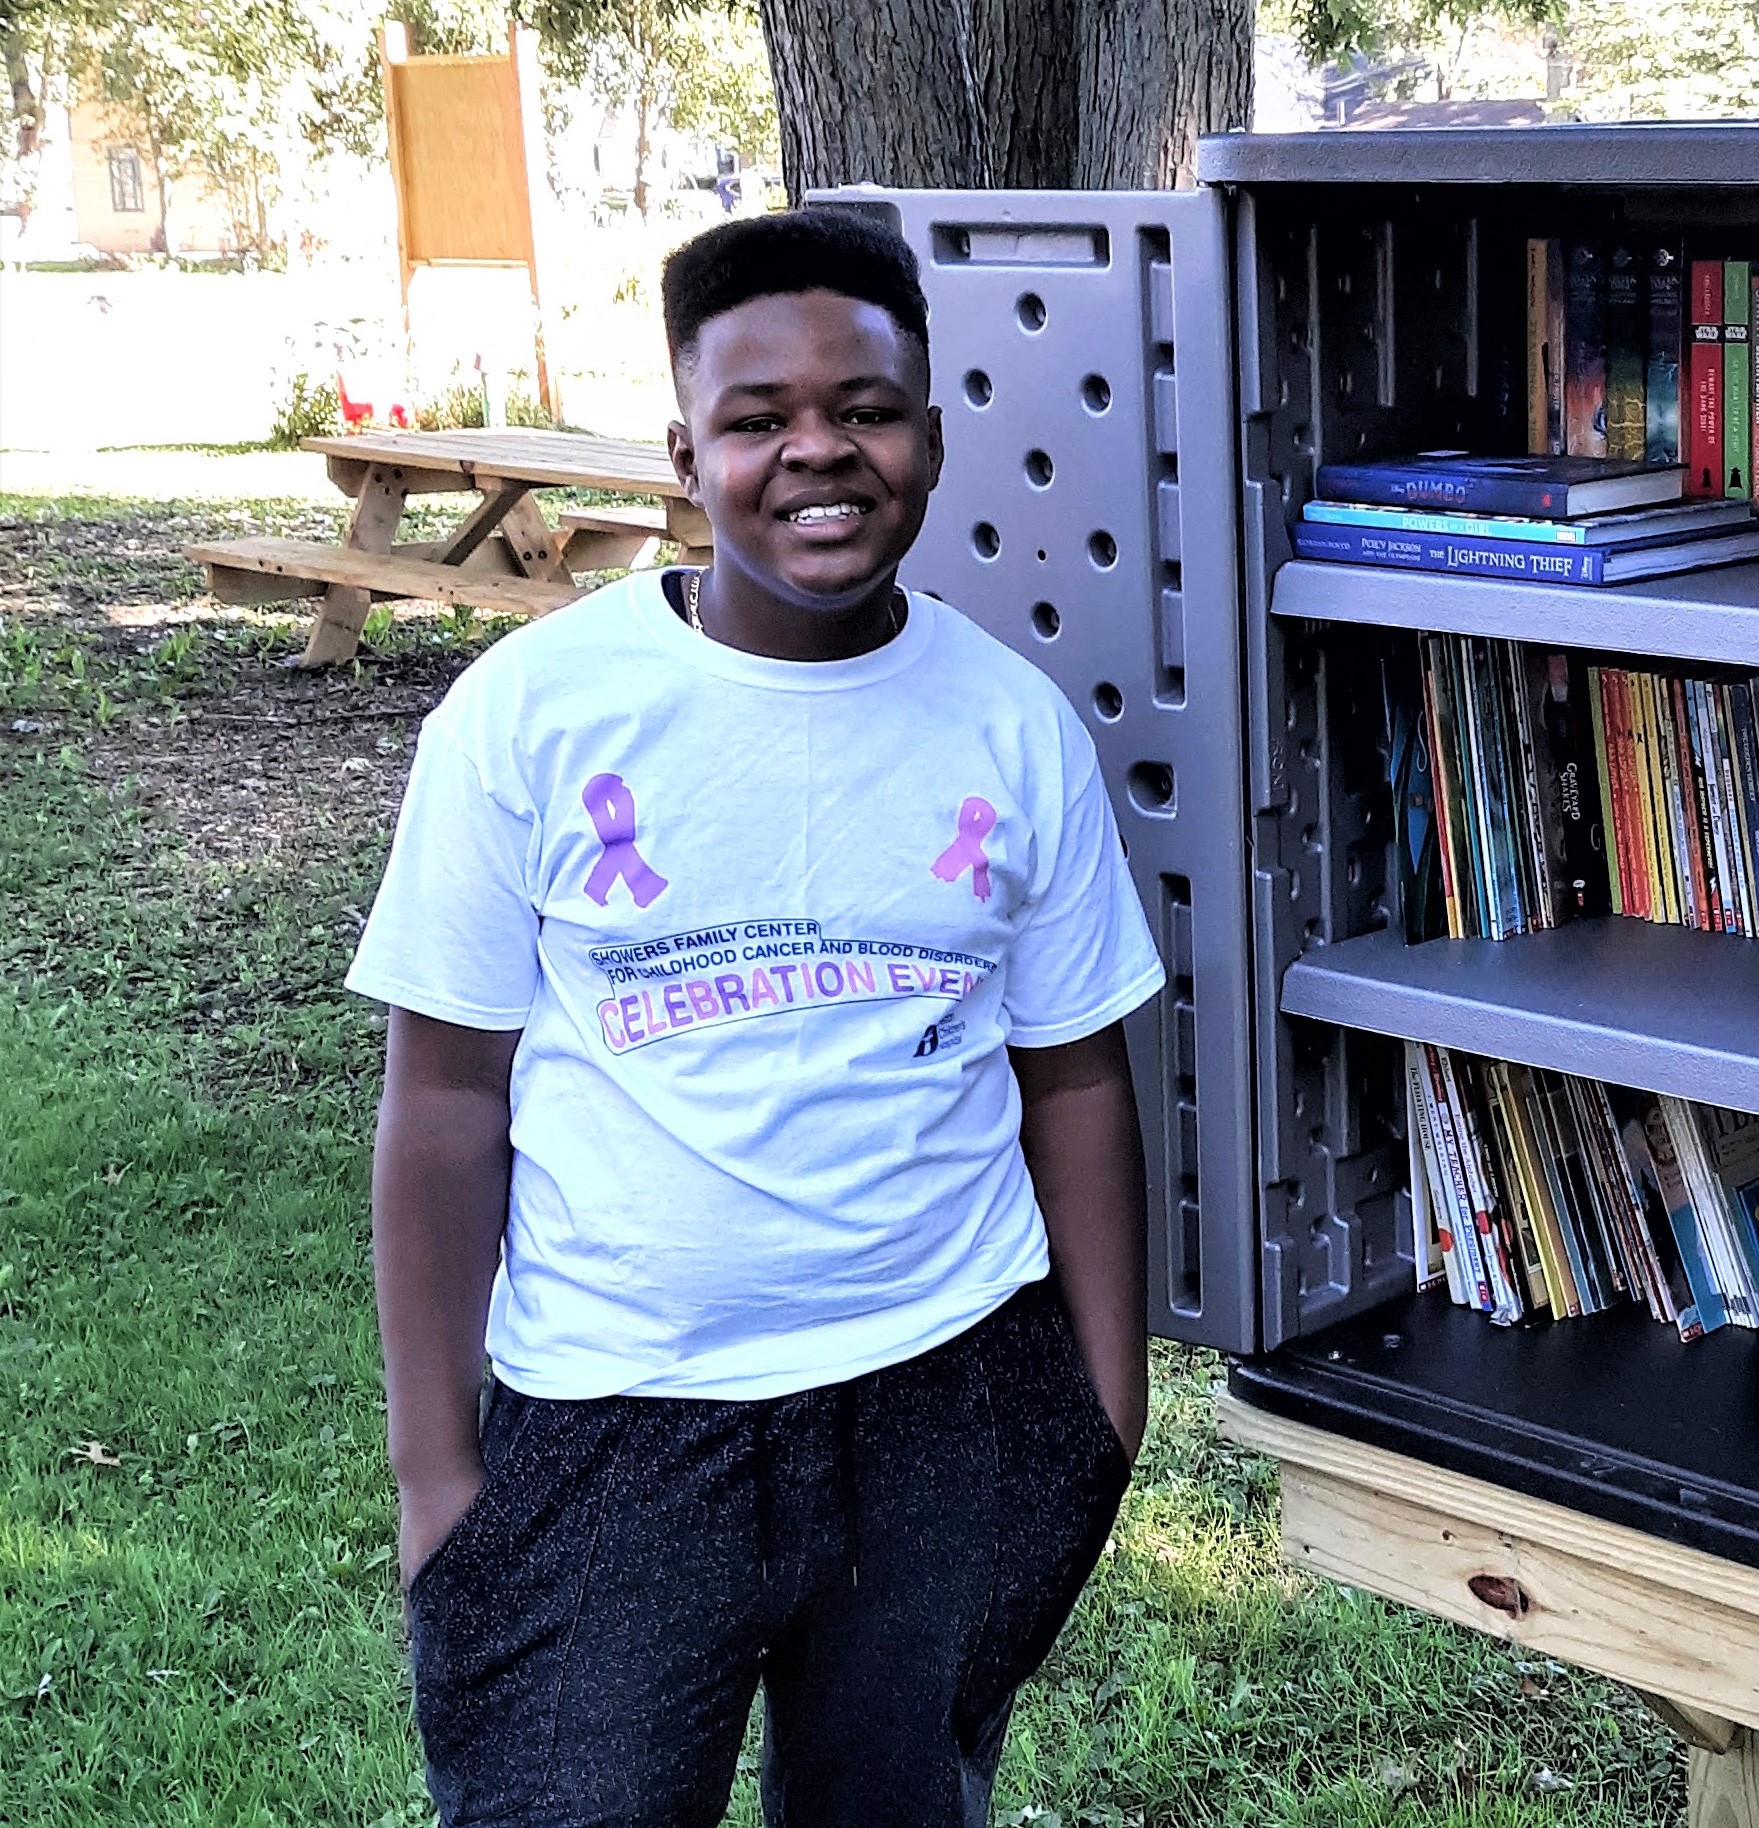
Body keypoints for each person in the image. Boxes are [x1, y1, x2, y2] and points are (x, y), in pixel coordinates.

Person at [349, 208, 1161, 1826]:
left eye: (864, 408)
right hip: (614, 1422)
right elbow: (443, 1104)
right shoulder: (530, 714)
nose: (819, 454)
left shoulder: (1013, 726)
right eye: (757, 420)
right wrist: (439, 1476)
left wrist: (1102, 1411)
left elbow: (1075, 1077)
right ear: (684, 449)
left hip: (949, 1389)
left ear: (929, 434)